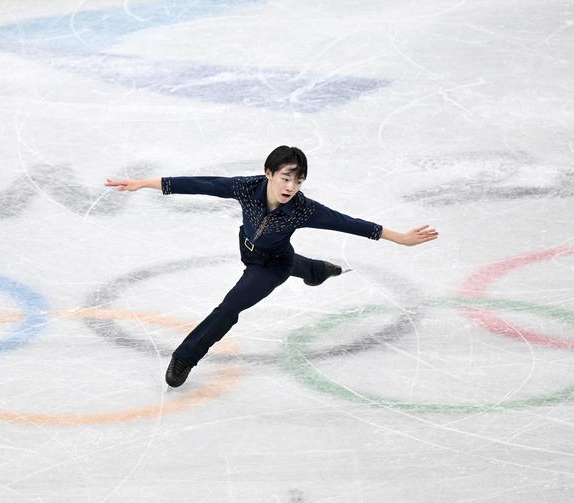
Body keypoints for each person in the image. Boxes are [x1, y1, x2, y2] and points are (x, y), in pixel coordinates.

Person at [105, 145, 438, 387]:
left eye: (298, 180)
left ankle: (186, 356)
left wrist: (400, 238)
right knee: (299, 264)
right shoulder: (246, 188)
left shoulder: (304, 210)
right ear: (269, 173)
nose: (291, 187)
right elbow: (199, 184)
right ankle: (318, 271)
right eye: (285, 177)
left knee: (230, 307)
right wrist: (143, 183)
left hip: (272, 265)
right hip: (248, 248)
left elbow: (349, 223)